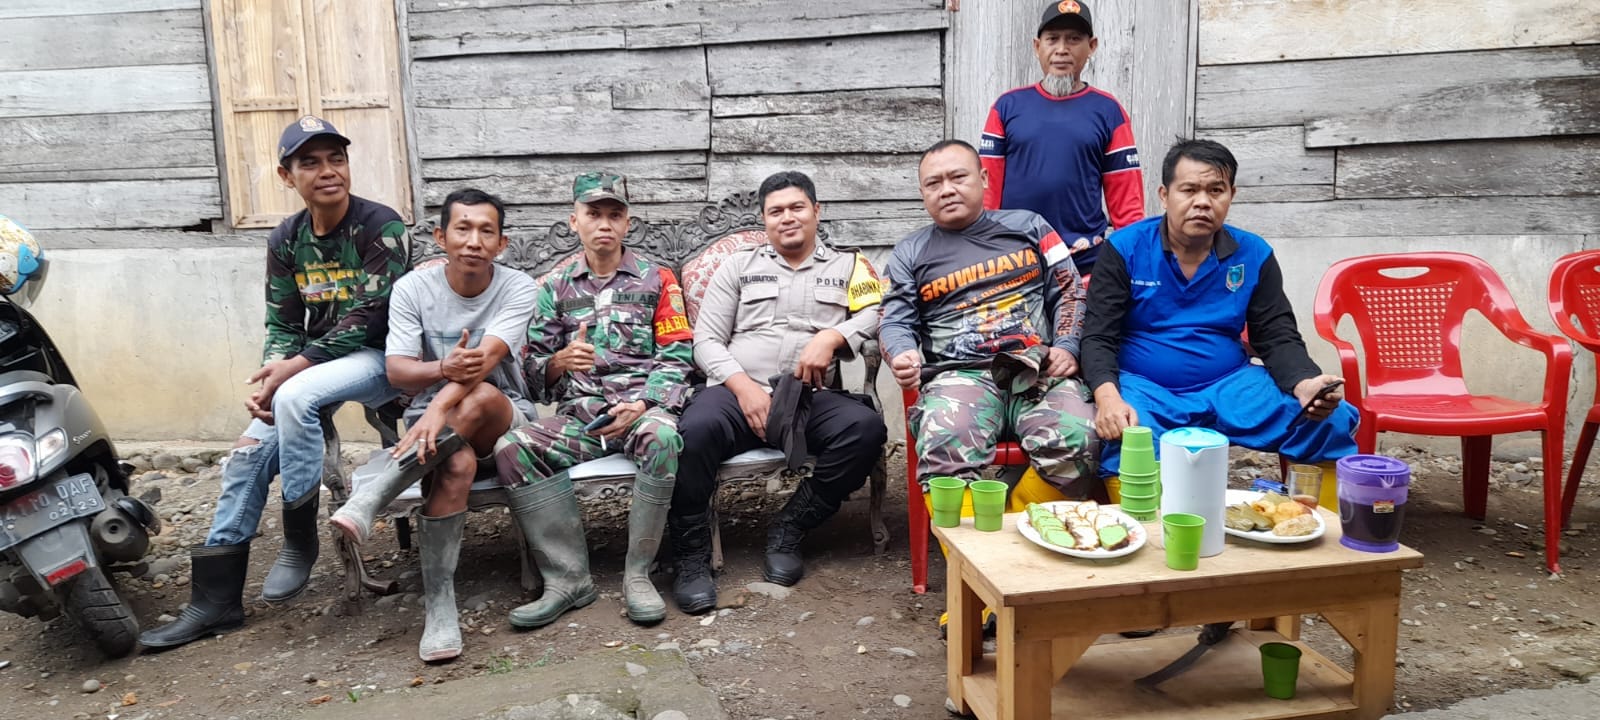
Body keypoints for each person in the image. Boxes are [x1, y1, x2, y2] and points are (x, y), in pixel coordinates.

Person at [141, 116, 408, 650]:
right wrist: (271, 373)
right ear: (287, 176)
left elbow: (372, 315)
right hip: (310, 369)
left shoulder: (381, 225)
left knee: (297, 393)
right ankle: (216, 602)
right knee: (246, 457)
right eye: (310, 162)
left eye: (336, 159)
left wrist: (293, 370)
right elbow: (283, 322)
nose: (327, 171)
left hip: (381, 359)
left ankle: (299, 538)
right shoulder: (287, 239)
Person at [330, 188, 539, 662]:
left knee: (480, 395)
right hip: (434, 430)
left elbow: (484, 363)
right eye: (463, 229)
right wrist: (443, 371)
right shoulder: (412, 289)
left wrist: (437, 408)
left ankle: (374, 496)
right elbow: (397, 371)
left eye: (486, 231)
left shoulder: (519, 287)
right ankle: (440, 605)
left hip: (503, 420)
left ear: (502, 243)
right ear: (441, 236)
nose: (474, 241)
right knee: (457, 466)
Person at [1079, 138, 1358, 485]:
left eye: (1216, 190)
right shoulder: (1125, 249)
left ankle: (1316, 515)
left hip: (1231, 386)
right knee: (1128, 433)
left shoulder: (1253, 253)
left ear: (1231, 195)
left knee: (1327, 418)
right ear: (1164, 195)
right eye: (1189, 190)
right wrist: (1108, 398)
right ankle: (1151, 519)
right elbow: (1098, 336)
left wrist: (1304, 382)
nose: (1202, 202)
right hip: (1147, 389)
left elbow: (1276, 334)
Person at [672, 171, 888, 613]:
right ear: (764, 219)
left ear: (816, 211)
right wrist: (743, 389)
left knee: (864, 429)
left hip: (806, 396)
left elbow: (877, 310)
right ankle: (691, 556)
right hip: (737, 393)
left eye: (796, 207)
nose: (787, 218)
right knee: (694, 432)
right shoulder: (738, 266)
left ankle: (791, 526)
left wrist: (832, 337)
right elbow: (706, 341)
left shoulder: (850, 266)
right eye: (776, 211)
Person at [493, 172, 691, 627]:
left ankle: (638, 575)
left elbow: (678, 354)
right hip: (581, 419)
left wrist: (645, 405)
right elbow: (533, 373)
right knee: (512, 448)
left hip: (640, 413)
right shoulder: (554, 287)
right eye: (594, 213)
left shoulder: (658, 280)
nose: (604, 223)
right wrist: (559, 362)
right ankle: (567, 580)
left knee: (663, 437)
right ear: (574, 221)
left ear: (628, 223)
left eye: (615, 215)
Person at [881, 139, 1098, 501]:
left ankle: (1017, 512)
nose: (946, 190)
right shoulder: (910, 252)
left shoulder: (1031, 226)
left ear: (983, 179)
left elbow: (1070, 292)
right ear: (922, 193)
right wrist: (900, 352)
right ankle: (967, 535)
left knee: (1079, 438)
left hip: (1037, 369)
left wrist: (1067, 346)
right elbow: (893, 320)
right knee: (945, 443)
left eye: (958, 177)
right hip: (959, 377)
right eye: (934, 183)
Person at [978, 0, 1143, 275]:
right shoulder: (1006, 107)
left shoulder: (1109, 111)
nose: (1062, 49)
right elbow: (987, 188)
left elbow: (1127, 202)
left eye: (1074, 39)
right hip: (1014, 260)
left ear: (1092, 46)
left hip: (1084, 262)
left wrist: (1135, 262)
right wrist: (983, 247)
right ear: (1037, 47)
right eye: (1052, 39)